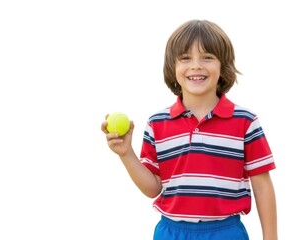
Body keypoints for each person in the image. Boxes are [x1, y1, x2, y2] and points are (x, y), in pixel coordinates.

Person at [101, 19, 277, 240]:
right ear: (172, 67)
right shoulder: (157, 123)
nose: (196, 65)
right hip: (171, 232)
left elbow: (262, 186)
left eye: (207, 57)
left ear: (223, 66)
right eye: (185, 58)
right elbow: (152, 188)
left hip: (226, 232)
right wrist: (126, 154)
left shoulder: (245, 121)